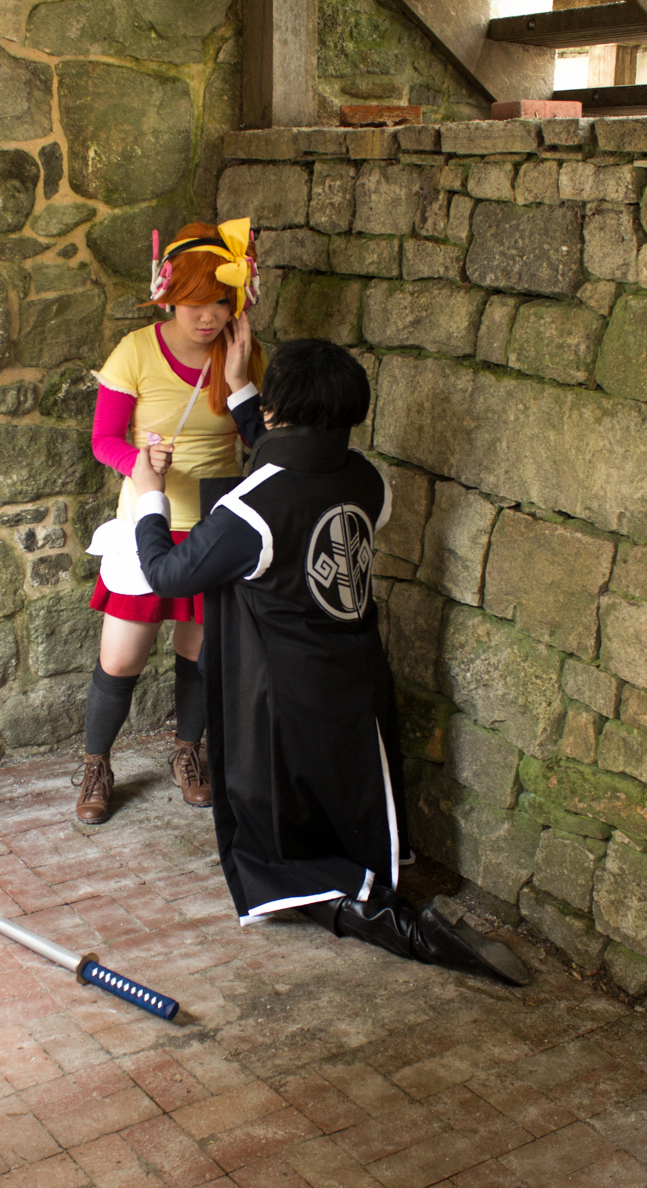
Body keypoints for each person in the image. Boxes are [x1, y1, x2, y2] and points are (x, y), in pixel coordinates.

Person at [125, 338, 531, 985]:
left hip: (283, 694)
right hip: (357, 677)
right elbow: (292, 461)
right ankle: (377, 893)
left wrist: (149, 495)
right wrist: (241, 389)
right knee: (348, 801)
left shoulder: (247, 510)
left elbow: (169, 573)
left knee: (269, 839)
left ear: (280, 406)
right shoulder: (368, 480)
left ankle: (392, 924)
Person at [76, 218, 266, 825]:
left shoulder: (242, 353)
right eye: (192, 302)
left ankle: (188, 752)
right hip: (147, 520)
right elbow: (103, 439)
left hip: (215, 527)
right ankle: (96, 765)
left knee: (199, 653)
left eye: (219, 302)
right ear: (168, 296)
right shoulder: (135, 351)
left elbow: (263, 447)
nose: (207, 317)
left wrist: (240, 380)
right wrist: (139, 461)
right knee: (121, 659)